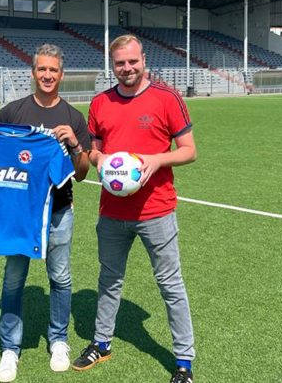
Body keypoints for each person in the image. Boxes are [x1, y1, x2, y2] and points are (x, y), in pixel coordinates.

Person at [0, 43, 91, 383]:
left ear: (61, 74)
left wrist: (74, 144)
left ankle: (59, 340)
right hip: (18, 215)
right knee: (14, 280)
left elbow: (82, 172)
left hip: (58, 212)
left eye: (53, 70)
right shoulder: (12, 112)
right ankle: (10, 348)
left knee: (61, 278)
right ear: (33, 72)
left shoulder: (73, 117)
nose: (47, 75)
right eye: (42, 69)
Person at [72, 35, 197, 383]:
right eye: (119, 63)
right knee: (109, 280)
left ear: (144, 59)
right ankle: (101, 342)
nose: (126, 69)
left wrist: (157, 159)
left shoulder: (166, 98)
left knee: (170, 284)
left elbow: (189, 150)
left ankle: (184, 361)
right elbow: (94, 149)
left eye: (132, 62)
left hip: (157, 210)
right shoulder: (100, 102)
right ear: (111, 65)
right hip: (112, 212)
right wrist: (101, 161)